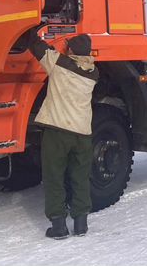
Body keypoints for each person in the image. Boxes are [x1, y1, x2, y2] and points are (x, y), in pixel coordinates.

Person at [28, 28, 99, 239]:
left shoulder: (60, 64)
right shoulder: (93, 73)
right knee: (80, 177)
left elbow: (37, 47)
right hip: (83, 132)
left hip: (58, 131)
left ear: (72, 51)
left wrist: (30, 29)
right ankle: (81, 224)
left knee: (54, 176)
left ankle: (58, 225)